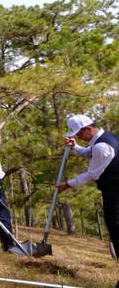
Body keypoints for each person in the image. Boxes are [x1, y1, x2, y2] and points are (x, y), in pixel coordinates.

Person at [55, 114, 119, 272]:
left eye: (79, 134)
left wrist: (68, 184)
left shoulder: (102, 146)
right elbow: (89, 153)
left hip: (115, 193)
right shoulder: (105, 137)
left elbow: (92, 174)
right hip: (112, 191)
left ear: (88, 129)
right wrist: (75, 147)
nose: (79, 137)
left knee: (116, 230)